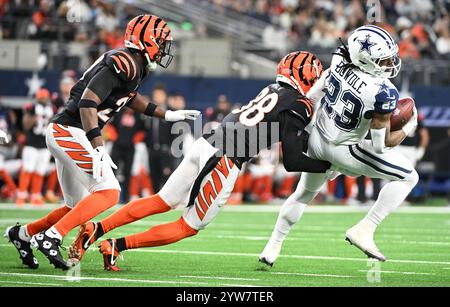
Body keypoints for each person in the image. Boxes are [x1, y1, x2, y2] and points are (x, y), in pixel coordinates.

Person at [68, 51, 333, 271]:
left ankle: (97, 228)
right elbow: (293, 160)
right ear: (307, 77)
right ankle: (117, 245)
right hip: (225, 158)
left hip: (206, 143)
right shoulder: (300, 104)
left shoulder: (272, 89)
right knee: (189, 226)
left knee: (162, 200)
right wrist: (330, 166)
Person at [5, 14, 200, 270]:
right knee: (109, 192)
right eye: (161, 42)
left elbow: (130, 98)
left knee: (75, 207)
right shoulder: (124, 62)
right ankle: (50, 236)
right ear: (147, 41)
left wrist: (166, 114)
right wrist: (97, 146)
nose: (164, 48)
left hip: (70, 131)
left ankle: (23, 234)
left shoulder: (133, 64)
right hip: (71, 131)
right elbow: (87, 103)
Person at [260, 25, 419, 266]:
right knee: (408, 177)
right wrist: (409, 126)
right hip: (346, 150)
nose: (389, 63)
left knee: (302, 195)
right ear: (365, 58)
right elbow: (380, 147)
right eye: (383, 60)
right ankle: (365, 229)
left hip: (316, 140)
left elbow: (313, 95)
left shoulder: (340, 61)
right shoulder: (382, 91)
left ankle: (272, 247)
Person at [16, 88, 54, 205]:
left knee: (40, 171)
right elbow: (25, 125)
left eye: (44, 97)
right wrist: (34, 117)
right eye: (40, 97)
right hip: (31, 143)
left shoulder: (51, 109)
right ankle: (22, 194)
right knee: (28, 169)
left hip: (44, 144)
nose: (42, 99)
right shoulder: (32, 107)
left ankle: (35, 195)